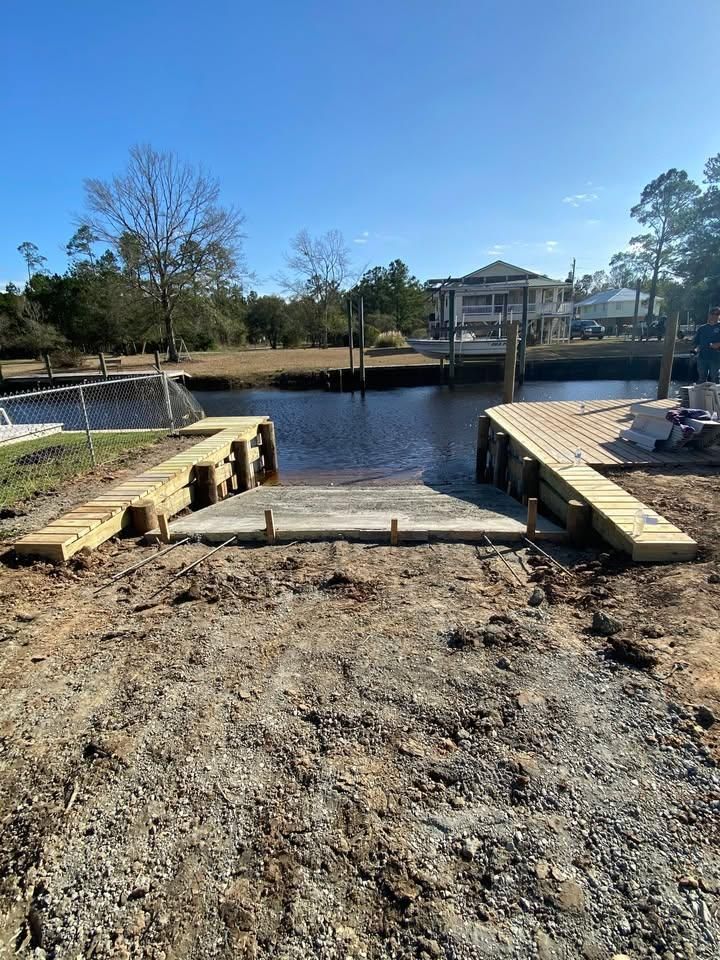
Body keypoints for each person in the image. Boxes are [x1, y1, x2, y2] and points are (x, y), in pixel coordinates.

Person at [694, 307, 720, 382]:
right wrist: (695, 350)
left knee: (715, 377)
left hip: (716, 358)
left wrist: (718, 344)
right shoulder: (702, 328)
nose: (715, 315)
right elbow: (696, 342)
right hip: (702, 357)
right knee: (701, 378)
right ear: (709, 315)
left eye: (717, 314)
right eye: (713, 313)